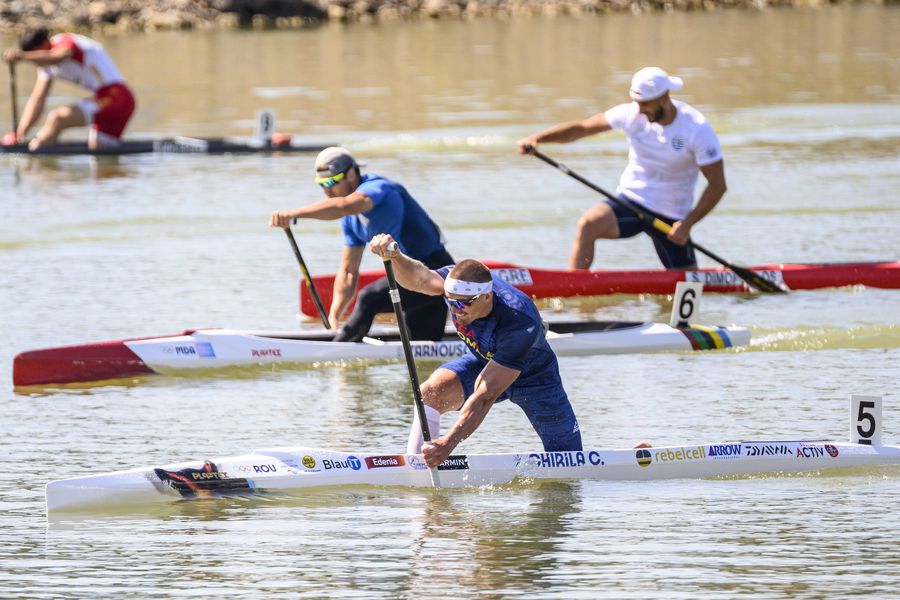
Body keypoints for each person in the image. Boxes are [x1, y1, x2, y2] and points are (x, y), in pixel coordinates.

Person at [369, 233, 584, 468]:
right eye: (450, 302)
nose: (455, 309)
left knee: (569, 461)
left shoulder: (519, 321)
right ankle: (418, 466)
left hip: (535, 379)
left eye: (461, 304)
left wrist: (448, 444)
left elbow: (485, 395)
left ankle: (436, 454)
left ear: (487, 297)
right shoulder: (457, 284)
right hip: (483, 361)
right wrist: (396, 257)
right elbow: (419, 279)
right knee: (429, 392)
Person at [517, 66, 726, 271]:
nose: (640, 110)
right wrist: (538, 139)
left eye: (645, 104)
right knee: (588, 225)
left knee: (689, 282)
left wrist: (688, 224)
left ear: (664, 97)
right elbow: (582, 128)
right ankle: (573, 286)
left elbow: (718, 185)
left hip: (671, 215)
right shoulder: (631, 113)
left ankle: (718, 279)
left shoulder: (696, 129)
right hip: (631, 201)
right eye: (637, 102)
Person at [269, 147, 453, 342]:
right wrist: (335, 317)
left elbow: (346, 204)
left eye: (331, 182)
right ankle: (343, 341)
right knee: (423, 347)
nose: (326, 190)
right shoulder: (349, 218)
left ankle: (338, 351)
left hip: (433, 272)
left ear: (350, 174)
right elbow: (348, 272)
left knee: (368, 298)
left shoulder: (378, 189)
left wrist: (293, 214)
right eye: (321, 184)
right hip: (408, 276)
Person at [2, 28, 136, 150]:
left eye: (34, 56)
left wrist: (22, 56)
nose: (35, 61)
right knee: (99, 152)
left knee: (58, 118)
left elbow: (58, 56)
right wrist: (19, 135)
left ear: (43, 45)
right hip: (111, 101)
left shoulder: (64, 41)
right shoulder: (46, 67)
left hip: (116, 97)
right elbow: (37, 100)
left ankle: (40, 167)